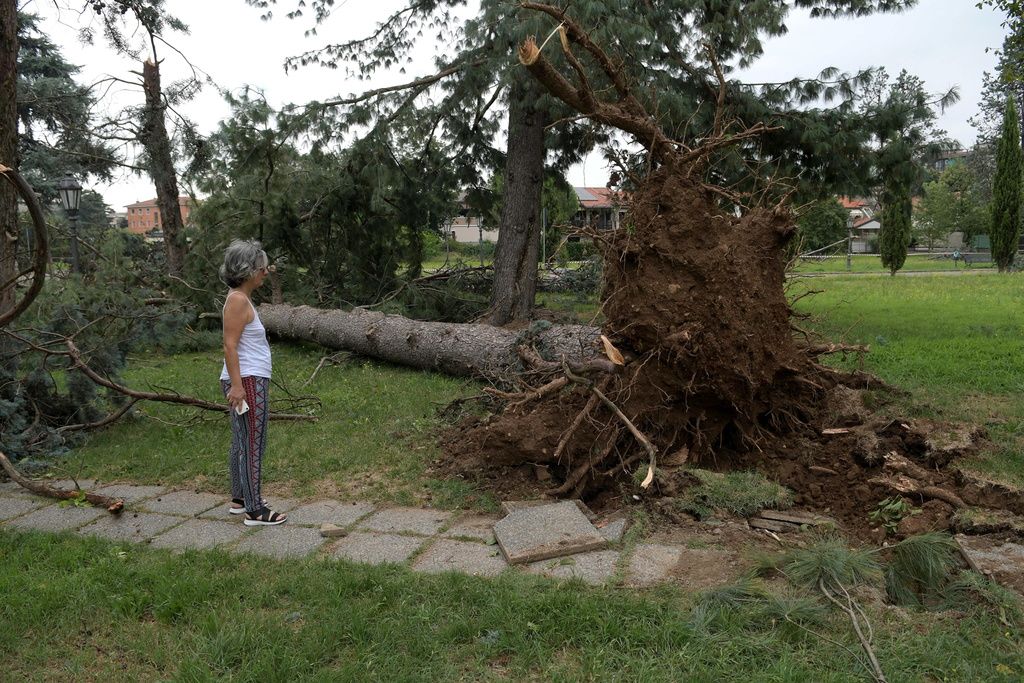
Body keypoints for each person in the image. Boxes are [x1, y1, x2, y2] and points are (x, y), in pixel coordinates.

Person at [219, 239, 286, 526]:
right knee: (253, 443)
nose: (265, 272)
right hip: (246, 381)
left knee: (241, 442)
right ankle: (255, 510)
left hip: (245, 378)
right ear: (247, 270)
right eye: (261, 267)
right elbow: (229, 346)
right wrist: (237, 387)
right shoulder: (237, 300)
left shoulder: (240, 298)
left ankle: (240, 499)